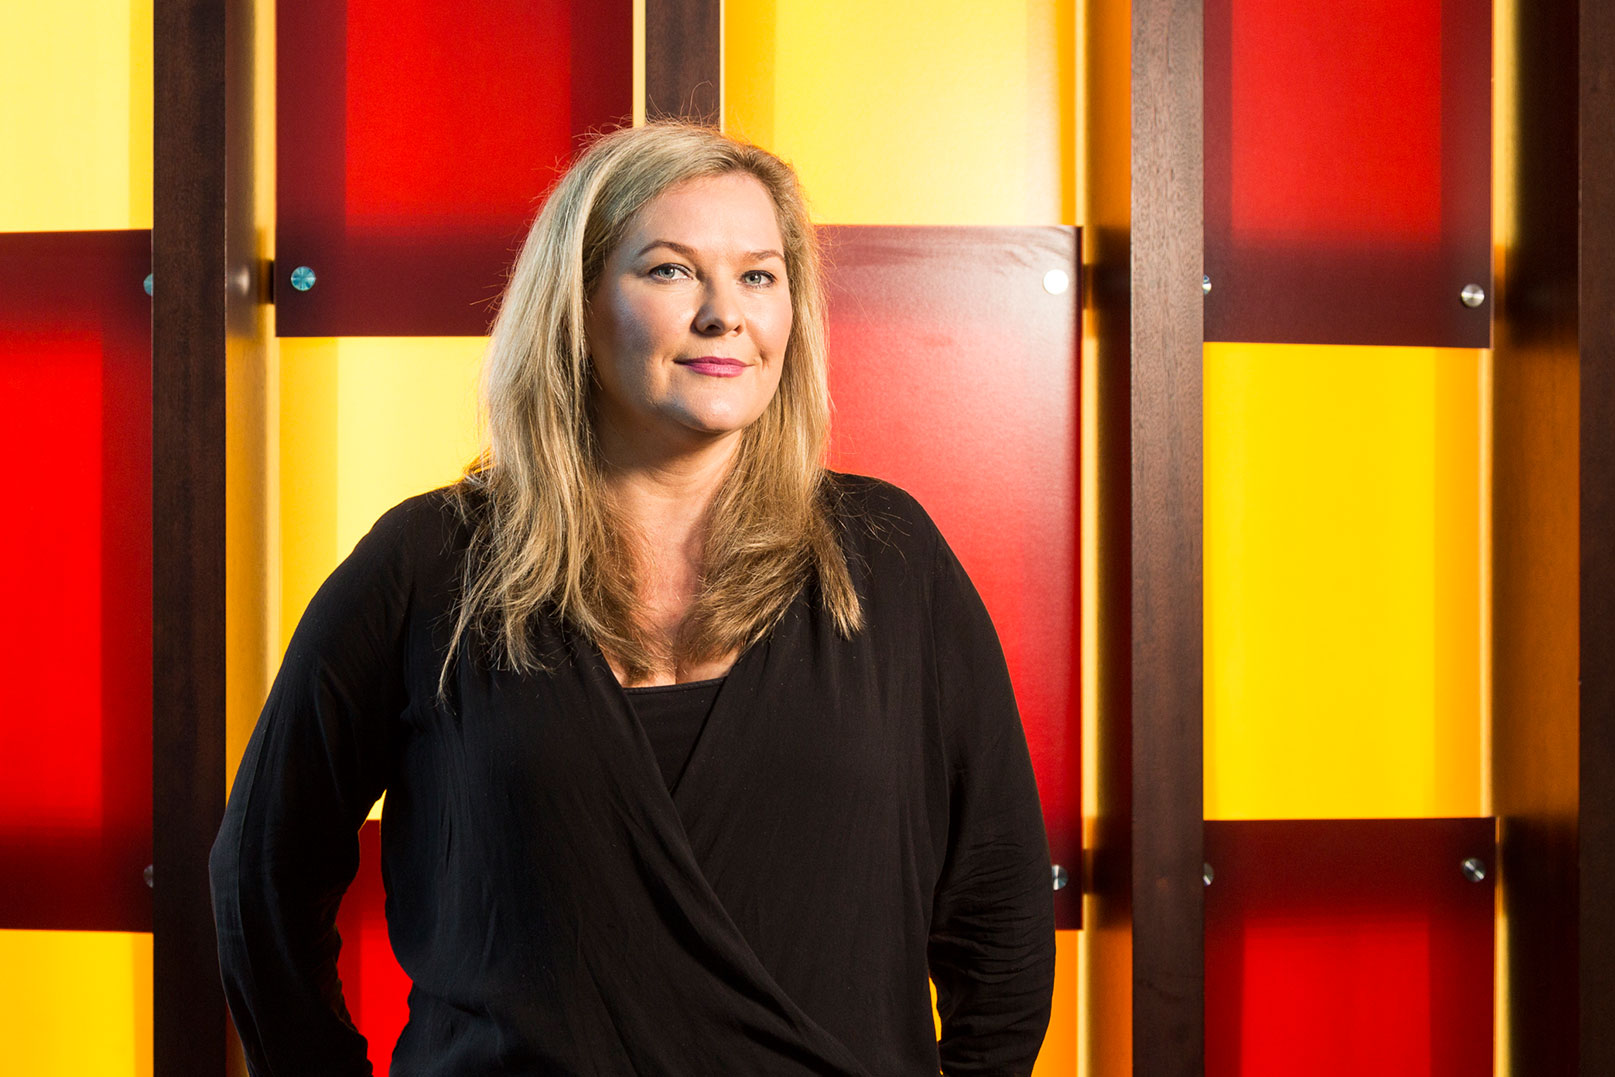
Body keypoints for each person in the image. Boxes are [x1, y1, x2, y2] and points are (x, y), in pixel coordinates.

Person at [210, 122, 1055, 1076]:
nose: (723, 314)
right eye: (669, 271)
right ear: (575, 304)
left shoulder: (889, 557)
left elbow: (998, 900)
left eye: (758, 276)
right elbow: (262, 872)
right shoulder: (425, 563)